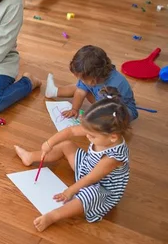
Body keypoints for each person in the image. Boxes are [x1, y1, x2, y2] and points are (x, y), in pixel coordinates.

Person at [14, 87, 130, 232]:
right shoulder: (99, 129)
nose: (87, 137)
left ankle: (54, 216)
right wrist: (49, 143)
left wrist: (69, 191)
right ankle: (30, 157)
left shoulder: (113, 158)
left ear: (113, 137)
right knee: (67, 145)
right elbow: (70, 131)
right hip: (87, 167)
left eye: (92, 136)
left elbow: (90, 179)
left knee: (90, 195)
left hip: (102, 187)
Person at [45, 45, 138, 121]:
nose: (81, 81)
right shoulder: (92, 77)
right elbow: (80, 92)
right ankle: (54, 91)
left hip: (121, 109)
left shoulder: (115, 85)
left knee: (109, 119)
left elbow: (106, 108)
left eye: (83, 79)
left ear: (94, 79)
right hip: (101, 99)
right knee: (78, 87)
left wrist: (90, 117)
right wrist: (74, 109)